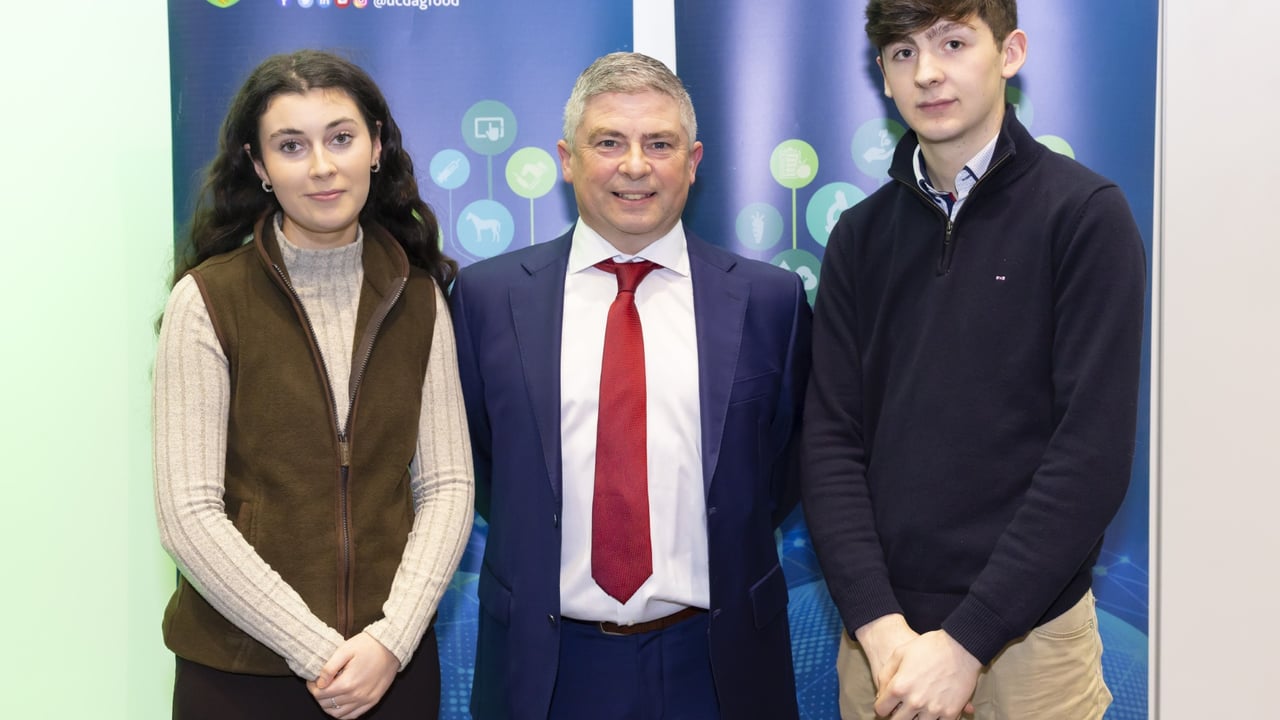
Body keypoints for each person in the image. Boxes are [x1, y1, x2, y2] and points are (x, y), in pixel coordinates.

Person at [801, 1, 1147, 718]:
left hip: (1033, 647)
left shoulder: (1084, 216)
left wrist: (965, 643)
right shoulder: (859, 239)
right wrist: (879, 627)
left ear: (1010, 52)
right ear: (883, 76)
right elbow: (830, 443)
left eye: (953, 43)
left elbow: (1090, 457)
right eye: (902, 53)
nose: (927, 72)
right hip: (882, 648)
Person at [449, 52, 811, 719]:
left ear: (694, 161)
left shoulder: (771, 301)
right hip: (549, 666)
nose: (635, 166)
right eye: (609, 142)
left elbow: (783, 473)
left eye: (660, 144)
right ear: (566, 158)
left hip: (718, 662)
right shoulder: (485, 298)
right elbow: (484, 465)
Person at [153, 50, 474, 719]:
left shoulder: (420, 296)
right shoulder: (207, 300)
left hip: (391, 670)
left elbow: (447, 487)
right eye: (291, 146)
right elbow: (188, 515)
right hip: (239, 674)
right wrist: (320, 652)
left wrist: (388, 642)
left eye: (341, 138)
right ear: (259, 164)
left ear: (376, 147)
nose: (322, 167)